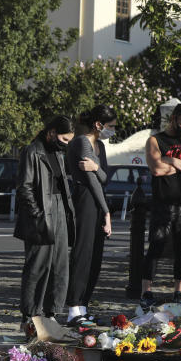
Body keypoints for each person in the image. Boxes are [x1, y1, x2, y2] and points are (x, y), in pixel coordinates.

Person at [14, 115, 76, 343]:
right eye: (63, 138)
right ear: (50, 132)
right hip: (41, 215)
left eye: (69, 140)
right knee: (37, 267)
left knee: (60, 266)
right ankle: (30, 316)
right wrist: (37, 215)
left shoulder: (59, 153)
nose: (66, 143)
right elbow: (25, 187)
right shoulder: (32, 151)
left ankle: (50, 315)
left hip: (58, 211)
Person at [141, 100, 181, 308]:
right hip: (163, 203)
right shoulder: (155, 141)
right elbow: (156, 170)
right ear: (175, 118)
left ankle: (179, 292)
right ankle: (146, 292)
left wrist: (173, 161)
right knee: (155, 248)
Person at [66, 105, 114, 327]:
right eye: (110, 126)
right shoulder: (81, 142)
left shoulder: (100, 145)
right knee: (83, 253)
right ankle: (73, 308)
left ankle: (84, 305)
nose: (112, 130)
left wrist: (95, 166)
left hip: (98, 202)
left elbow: (104, 177)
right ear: (98, 124)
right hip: (85, 200)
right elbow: (95, 181)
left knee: (96, 257)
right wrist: (106, 211)